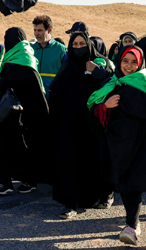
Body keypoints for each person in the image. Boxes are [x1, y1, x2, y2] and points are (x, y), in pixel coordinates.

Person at [88, 45, 146, 245]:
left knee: (134, 184)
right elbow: (93, 110)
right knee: (124, 184)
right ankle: (133, 222)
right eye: (125, 61)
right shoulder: (112, 82)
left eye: (133, 62)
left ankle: (132, 225)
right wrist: (105, 106)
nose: (128, 66)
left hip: (141, 145)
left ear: (140, 64)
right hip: (117, 146)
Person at [48, 29, 114, 218]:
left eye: (82, 44)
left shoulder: (98, 65)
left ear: (89, 45)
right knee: (70, 161)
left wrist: (96, 72)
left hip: (93, 123)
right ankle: (71, 203)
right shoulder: (67, 66)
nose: (78, 48)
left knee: (94, 159)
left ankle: (98, 195)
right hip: (69, 125)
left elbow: (111, 83)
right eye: (74, 45)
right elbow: (56, 91)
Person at [0, 27, 49, 196]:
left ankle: (9, 183)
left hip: (13, 117)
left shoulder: (15, 61)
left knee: (6, 150)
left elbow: (7, 82)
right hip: (19, 118)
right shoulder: (25, 59)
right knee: (16, 149)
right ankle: (18, 182)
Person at [30, 15, 66, 95]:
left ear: (49, 30)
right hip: (34, 97)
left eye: (39, 30)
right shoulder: (30, 50)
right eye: (35, 30)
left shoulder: (62, 50)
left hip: (54, 97)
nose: (36, 34)